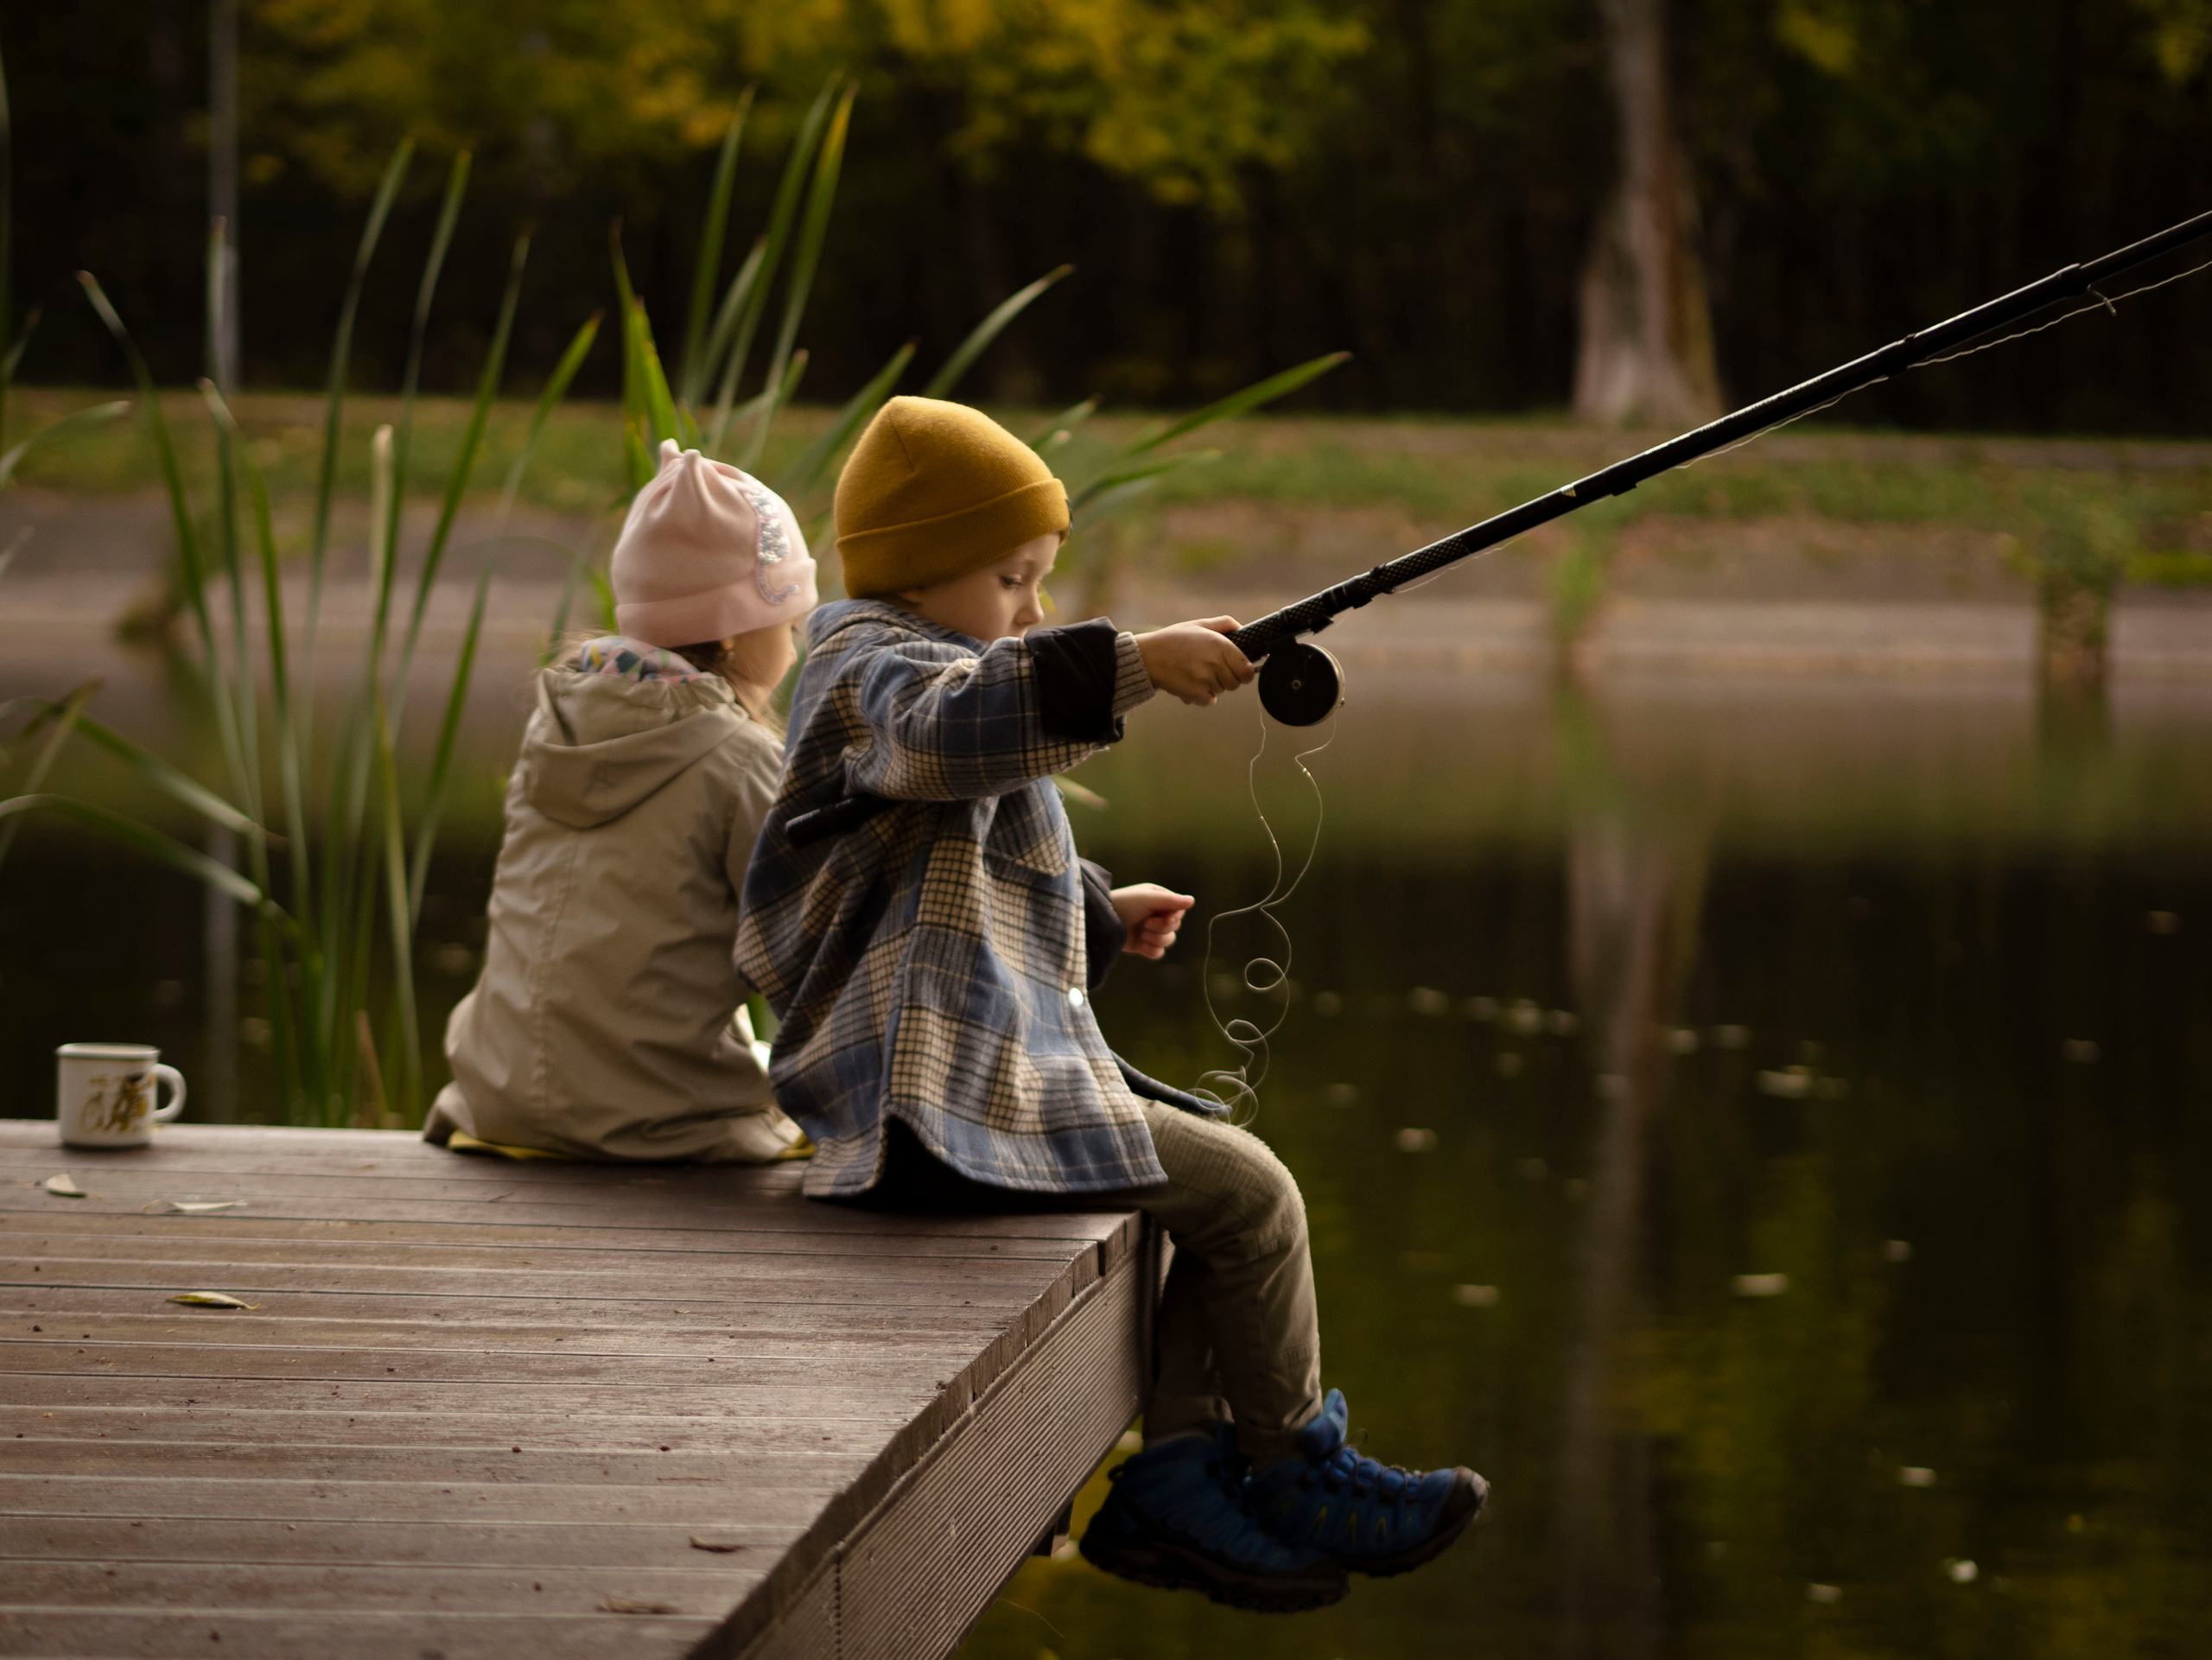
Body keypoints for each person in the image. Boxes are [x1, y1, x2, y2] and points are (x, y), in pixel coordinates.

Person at [737, 396, 1485, 1611]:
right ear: (922, 568)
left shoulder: (913, 666)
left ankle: (1184, 1475)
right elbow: (947, 737)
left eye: (1042, 581)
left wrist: (1091, 905)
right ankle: (1283, 1460)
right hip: (919, 1110)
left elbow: (945, 862)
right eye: (1012, 575)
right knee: (1252, 1193)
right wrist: (1133, 663)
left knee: (1215, 1192)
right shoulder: (872, 668)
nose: (1032, 607)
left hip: (936, 1093)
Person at [423, 440, 815, 1166]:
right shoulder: (739, 759)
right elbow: (806, 949)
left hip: (496, 1097)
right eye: (789, 625)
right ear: (729, 628)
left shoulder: (553, 727)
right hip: (655, 1119)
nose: (795, 651)